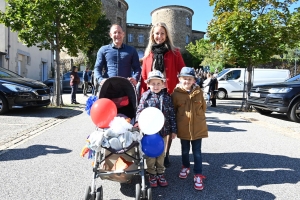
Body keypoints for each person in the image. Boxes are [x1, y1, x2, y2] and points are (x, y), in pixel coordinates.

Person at [140, 22, 185, 168]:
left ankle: (166, 154)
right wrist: (142, 96)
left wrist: (182, 85)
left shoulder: (175, 52)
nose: (159, 36)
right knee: (151, 124)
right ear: (153, 35)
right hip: (151, 94)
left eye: (162, 33)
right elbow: (143, 77)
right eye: (157, 33)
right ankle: (152, 153)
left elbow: (183, 72)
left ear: (166, 36)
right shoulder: (148, 55)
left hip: (168, 94)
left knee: (166, 126)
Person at [135, 70, 177, 188]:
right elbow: (139, 111)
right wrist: (138, 122)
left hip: (163, 131)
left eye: (158, 83)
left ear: (163, 84)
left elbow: (172, 114)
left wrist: (173, 130)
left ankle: (160, 172)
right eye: (153, 83)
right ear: (148, 84)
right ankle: (152, 173)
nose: (156, 86)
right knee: (150, 155)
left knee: (161, 154)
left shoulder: (167, 97)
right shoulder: (145, 96)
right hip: (149, 132)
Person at [171, 67, 208, 191]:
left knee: (197, 152)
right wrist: (175, 127)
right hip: (184, 128)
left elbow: (203, 107)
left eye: (190, 79)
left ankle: (198, 174)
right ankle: (185, 166)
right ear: (180, 79)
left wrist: (198, 118)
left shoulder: (199, 92)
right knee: (185, 150)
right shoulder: (175, 94)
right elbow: (174, 111)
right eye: (184, 78)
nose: (187, 81)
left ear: (194, 80)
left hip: (198, 127)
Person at [93, 24, 141, 95]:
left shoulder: (131, 50)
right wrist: (100, 79)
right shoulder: (103, 50)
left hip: (126, 88)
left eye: (119, 32)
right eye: (115, 32)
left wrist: (135, 78)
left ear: (123, 34)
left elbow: (137, 68)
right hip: (108, 88)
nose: (117, 34)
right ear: (110, 35)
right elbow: (97, 68)